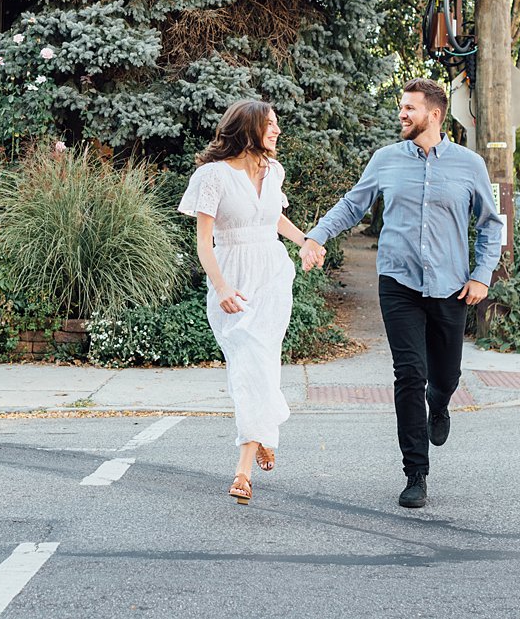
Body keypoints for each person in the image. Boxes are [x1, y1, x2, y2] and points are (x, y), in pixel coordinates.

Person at [300, 78, 503, 510]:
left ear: (434, 114)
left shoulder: (469, 165)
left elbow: (490, 224)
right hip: (399, 283)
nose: (402, 114)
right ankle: (416, 473)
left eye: (410, 108)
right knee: (409, 374)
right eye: (401, 107)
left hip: (451, 286)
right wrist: (316, 237)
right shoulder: (385, 160)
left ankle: (441, 401)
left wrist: (482, 276)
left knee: (444, 376)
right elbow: (353, 204)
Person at [178, 100, 317, 505]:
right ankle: (263, 430)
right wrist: (221, 289)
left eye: (276, 125)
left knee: (261, 361)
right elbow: (204, 242)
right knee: (247, 362)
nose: (276, 131)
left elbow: (272, 219)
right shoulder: (212, 176)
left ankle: (244, 468)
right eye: (269, 125)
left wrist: (305, 241)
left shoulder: (274, 172)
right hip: (232, 277)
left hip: (272, 275)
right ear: (248, 128)